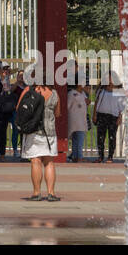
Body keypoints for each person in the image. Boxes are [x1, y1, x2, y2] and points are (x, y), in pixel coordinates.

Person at [18, 72, 61, 201]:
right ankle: (51, 193)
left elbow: (19, 108)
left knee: (35, 161)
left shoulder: (29, 90)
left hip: (33, 131)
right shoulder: (54, 93)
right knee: (49, 162)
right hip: (50, 132)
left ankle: (37, 193)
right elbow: (58, 113)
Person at [94, 76, 123, 163]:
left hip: (113, 117)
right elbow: (96, 102)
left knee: (112, 137)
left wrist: (120, 117)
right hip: (101, 115)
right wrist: (94, 115)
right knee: (100, 137)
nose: (110, 81)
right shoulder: (101, 91)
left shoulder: (119, 92)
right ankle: (100, 156)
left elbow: (121, 106)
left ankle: (110, 157)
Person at [67, 83, 89, 162]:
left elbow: (86, 102)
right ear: (79, 84)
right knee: (78, 139)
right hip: (74, 119)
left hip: (81, 120)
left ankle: (75, 156)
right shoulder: (71, 94)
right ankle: (79, 157)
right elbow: (68, 106)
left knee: (77, 140)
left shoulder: (83, 94)